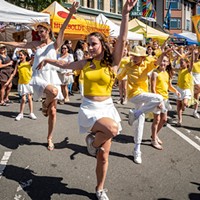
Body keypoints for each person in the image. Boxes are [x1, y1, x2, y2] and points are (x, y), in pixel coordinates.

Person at [37, 1, 138, 199]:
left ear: (102, 45)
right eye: (88, 44)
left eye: (93, 44)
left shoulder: (113, 64)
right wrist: (48, 60)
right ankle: (92, 144)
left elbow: (124, 38)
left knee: (103, 157)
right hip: (90, 109)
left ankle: (99, 189)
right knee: (113, 129)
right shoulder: (85, 63)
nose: (89, 47)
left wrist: (125, 13)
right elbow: (64, 64)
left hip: (107, 108)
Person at [0, 2, 79, 150]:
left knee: (54, 112)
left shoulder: (55, 45)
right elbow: (18, 44)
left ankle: (49, 138)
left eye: (42, 31)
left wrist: (70, 13)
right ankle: (44, 105)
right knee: (54, 92)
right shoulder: (36, 44)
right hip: (38, 77)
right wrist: (2, 40)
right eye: (39, 31)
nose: (40, 33)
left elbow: (62, 29)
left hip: (51, 77)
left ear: (48, 31)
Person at [117, 45, 164, 164]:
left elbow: (157, 62)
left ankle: (137, 150)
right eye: (133, 55)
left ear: (143, 57)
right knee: (159, 98)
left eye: (137, 56)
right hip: (133, 95)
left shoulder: (146, 65)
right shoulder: (128, 65)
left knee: (140, 123)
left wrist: (163, 53)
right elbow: (119, 76)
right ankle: (136, 113)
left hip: (142, 95)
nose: (134, 57)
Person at [150, 51, 180, 150]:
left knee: (164, 120)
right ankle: (154, 139)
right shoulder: (155, 73)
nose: (163, 63)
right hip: (158, 99)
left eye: (165, 61)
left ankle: (154, 135)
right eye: (162, 61)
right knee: (157, 120)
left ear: (168, 63)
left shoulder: (166, 73)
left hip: (165, 99)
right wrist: (158, 101)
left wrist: (176, 91)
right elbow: (153, 89)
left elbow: (169, 86)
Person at [6, 50, 37, 121]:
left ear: (25, 56)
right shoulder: (18, 63)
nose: (20, 56)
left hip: (29, 83)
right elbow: (13, 73)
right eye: (19, 55)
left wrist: (35, 51)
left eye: (21, 55)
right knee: (23, 99)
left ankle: (31, 113)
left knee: (29, 98)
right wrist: (8, 81)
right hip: (22, 83)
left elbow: (34, 58)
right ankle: (21, 113)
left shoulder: (29, 63)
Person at [175, 56, 193, 127]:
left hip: (186, 89)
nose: (181, 64)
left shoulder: (188, 70)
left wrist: (192, 54)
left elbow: (191, 64)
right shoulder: (179, 70)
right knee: (178, 105)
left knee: (184, 103)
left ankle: (184, 106)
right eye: (180, 63)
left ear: (186, 63)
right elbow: (173, 69)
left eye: (182, 63)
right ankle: (179, 120)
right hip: (179, 89)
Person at [191, 46, 200, 119]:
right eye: (195, 53)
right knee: (197, 90)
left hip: (198, 76)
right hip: (192, 76)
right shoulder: (191, 61)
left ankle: (195, 111)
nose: (197, 54)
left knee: (197, 95)